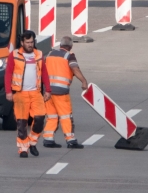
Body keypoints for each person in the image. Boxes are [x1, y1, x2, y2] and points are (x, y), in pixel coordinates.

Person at [5, 30, 51, 158]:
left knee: (40, 119)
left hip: (36, 93)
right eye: (28, 42)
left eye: (32, 42)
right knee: (21, 123)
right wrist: (8, 91)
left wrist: (48, 90)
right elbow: (8, 74)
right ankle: (23, 149)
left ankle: (32, 142)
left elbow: (45, 73)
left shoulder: (39, 54)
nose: (30, 45)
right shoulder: (14, 55)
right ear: (22, 42)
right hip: (20, 94)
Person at [42, 36, 87, 149]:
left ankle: (48, 139)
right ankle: (71, 140)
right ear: (70, 46)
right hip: (61, 92)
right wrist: (83, 81)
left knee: (52, 116)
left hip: (48, 91)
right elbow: (75, 69)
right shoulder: (69, 56)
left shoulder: (50, 54)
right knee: (66, 116)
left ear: (60, 45)